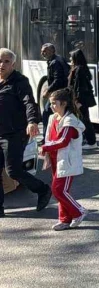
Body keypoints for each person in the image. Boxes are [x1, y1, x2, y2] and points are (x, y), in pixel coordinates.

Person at [0, 48, 51, 217]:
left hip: (15, 133)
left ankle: (43, 190)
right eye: (0, 61)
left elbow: (29, 102)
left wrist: (32, 121)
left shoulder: (19, 81)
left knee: (13, 171)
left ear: (13, 64)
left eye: (6, 61)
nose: (2, 64)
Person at [40, 88, 87, 231]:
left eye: (55, 103)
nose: (52, 106)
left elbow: (63, 141)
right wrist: (47, 148)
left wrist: (45, 147)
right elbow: (50, 137)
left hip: (66, 161)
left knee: (59, 190)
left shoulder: (70, 121)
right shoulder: (53, 118)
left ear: (64, 103)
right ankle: (64, 219)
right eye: (51, 103)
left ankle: (79, 211)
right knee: (60, 191)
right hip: (55, 159)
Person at [68, 49, 98, 150]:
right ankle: (86, 140)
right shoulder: (79, 68)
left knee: (84, 120)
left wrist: (78, 101)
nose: (70, 59)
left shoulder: (79, 70)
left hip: (80, 100)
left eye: (71, 57)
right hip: (79, 99)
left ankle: (91, 142)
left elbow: (79, 87)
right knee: (83, 120)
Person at [41, 43, 69, 137]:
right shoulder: (56, 60)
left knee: (46, 113)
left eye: (45, 51)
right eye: (42, 51)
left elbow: (58, 79)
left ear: (52, 51)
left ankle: (46, 137)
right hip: (62, 92)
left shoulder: (55, 62)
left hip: (58, 93)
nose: (42, 53)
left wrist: (48, 90)